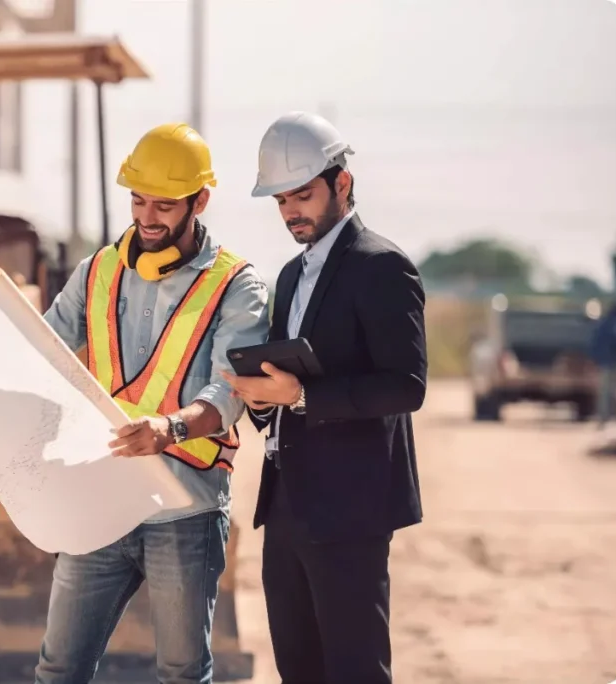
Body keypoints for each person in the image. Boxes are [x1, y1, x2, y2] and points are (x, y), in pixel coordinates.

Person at [34, 122, 271, 684]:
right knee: (59, 670)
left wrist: (169, 428)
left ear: (200, 201)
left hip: (184, 510)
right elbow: (41, 352)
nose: (146, 217)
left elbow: (230, 392)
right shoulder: (96, 272)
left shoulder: (236, 286)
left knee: (181, 674)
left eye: (164, 204)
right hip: (100, 499)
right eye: (138, 200)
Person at [222, 111, 427, 684]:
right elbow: (286, 389)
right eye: (281, 199)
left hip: (351, 510)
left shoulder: (382, 267)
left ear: (343, 184)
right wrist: (263, 400)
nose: (291, 211)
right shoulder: (288, 276)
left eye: (302, 194)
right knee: (299, 671)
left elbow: (407, 385)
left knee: (355, 671)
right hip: (287, 504)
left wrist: (304, 395)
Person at [590, 300, 616, 426]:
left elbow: (596, 343)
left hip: (607, 361)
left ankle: (604, 418)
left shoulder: (604, 323)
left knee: (606, 392)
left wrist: (596, 359)